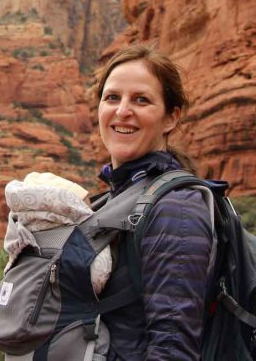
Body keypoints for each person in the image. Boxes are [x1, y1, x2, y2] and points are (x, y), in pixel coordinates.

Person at [90, 43, 213, 360]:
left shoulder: (176, 207)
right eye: (112, 97)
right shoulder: (110, 201)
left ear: (171, 118)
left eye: (141, 100)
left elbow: (173, 348)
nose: (122, 111)